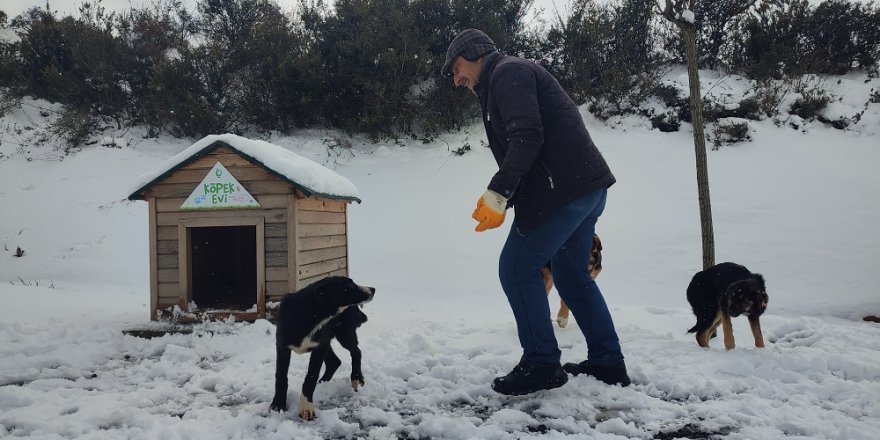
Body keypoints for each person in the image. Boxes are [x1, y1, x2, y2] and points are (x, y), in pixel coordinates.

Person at [441, 28, 631, 395]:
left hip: (561, 194)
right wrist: (507, 196)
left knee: (515, 267)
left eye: (456, 67)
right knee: (571, 274)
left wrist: (499, 192)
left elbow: (528, 137)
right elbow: (531, 140)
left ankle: (542, 362)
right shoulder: (508, 75)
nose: (456, 79)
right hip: (585, 189)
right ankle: (608, 361)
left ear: (475, 53)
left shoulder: (507, 73)